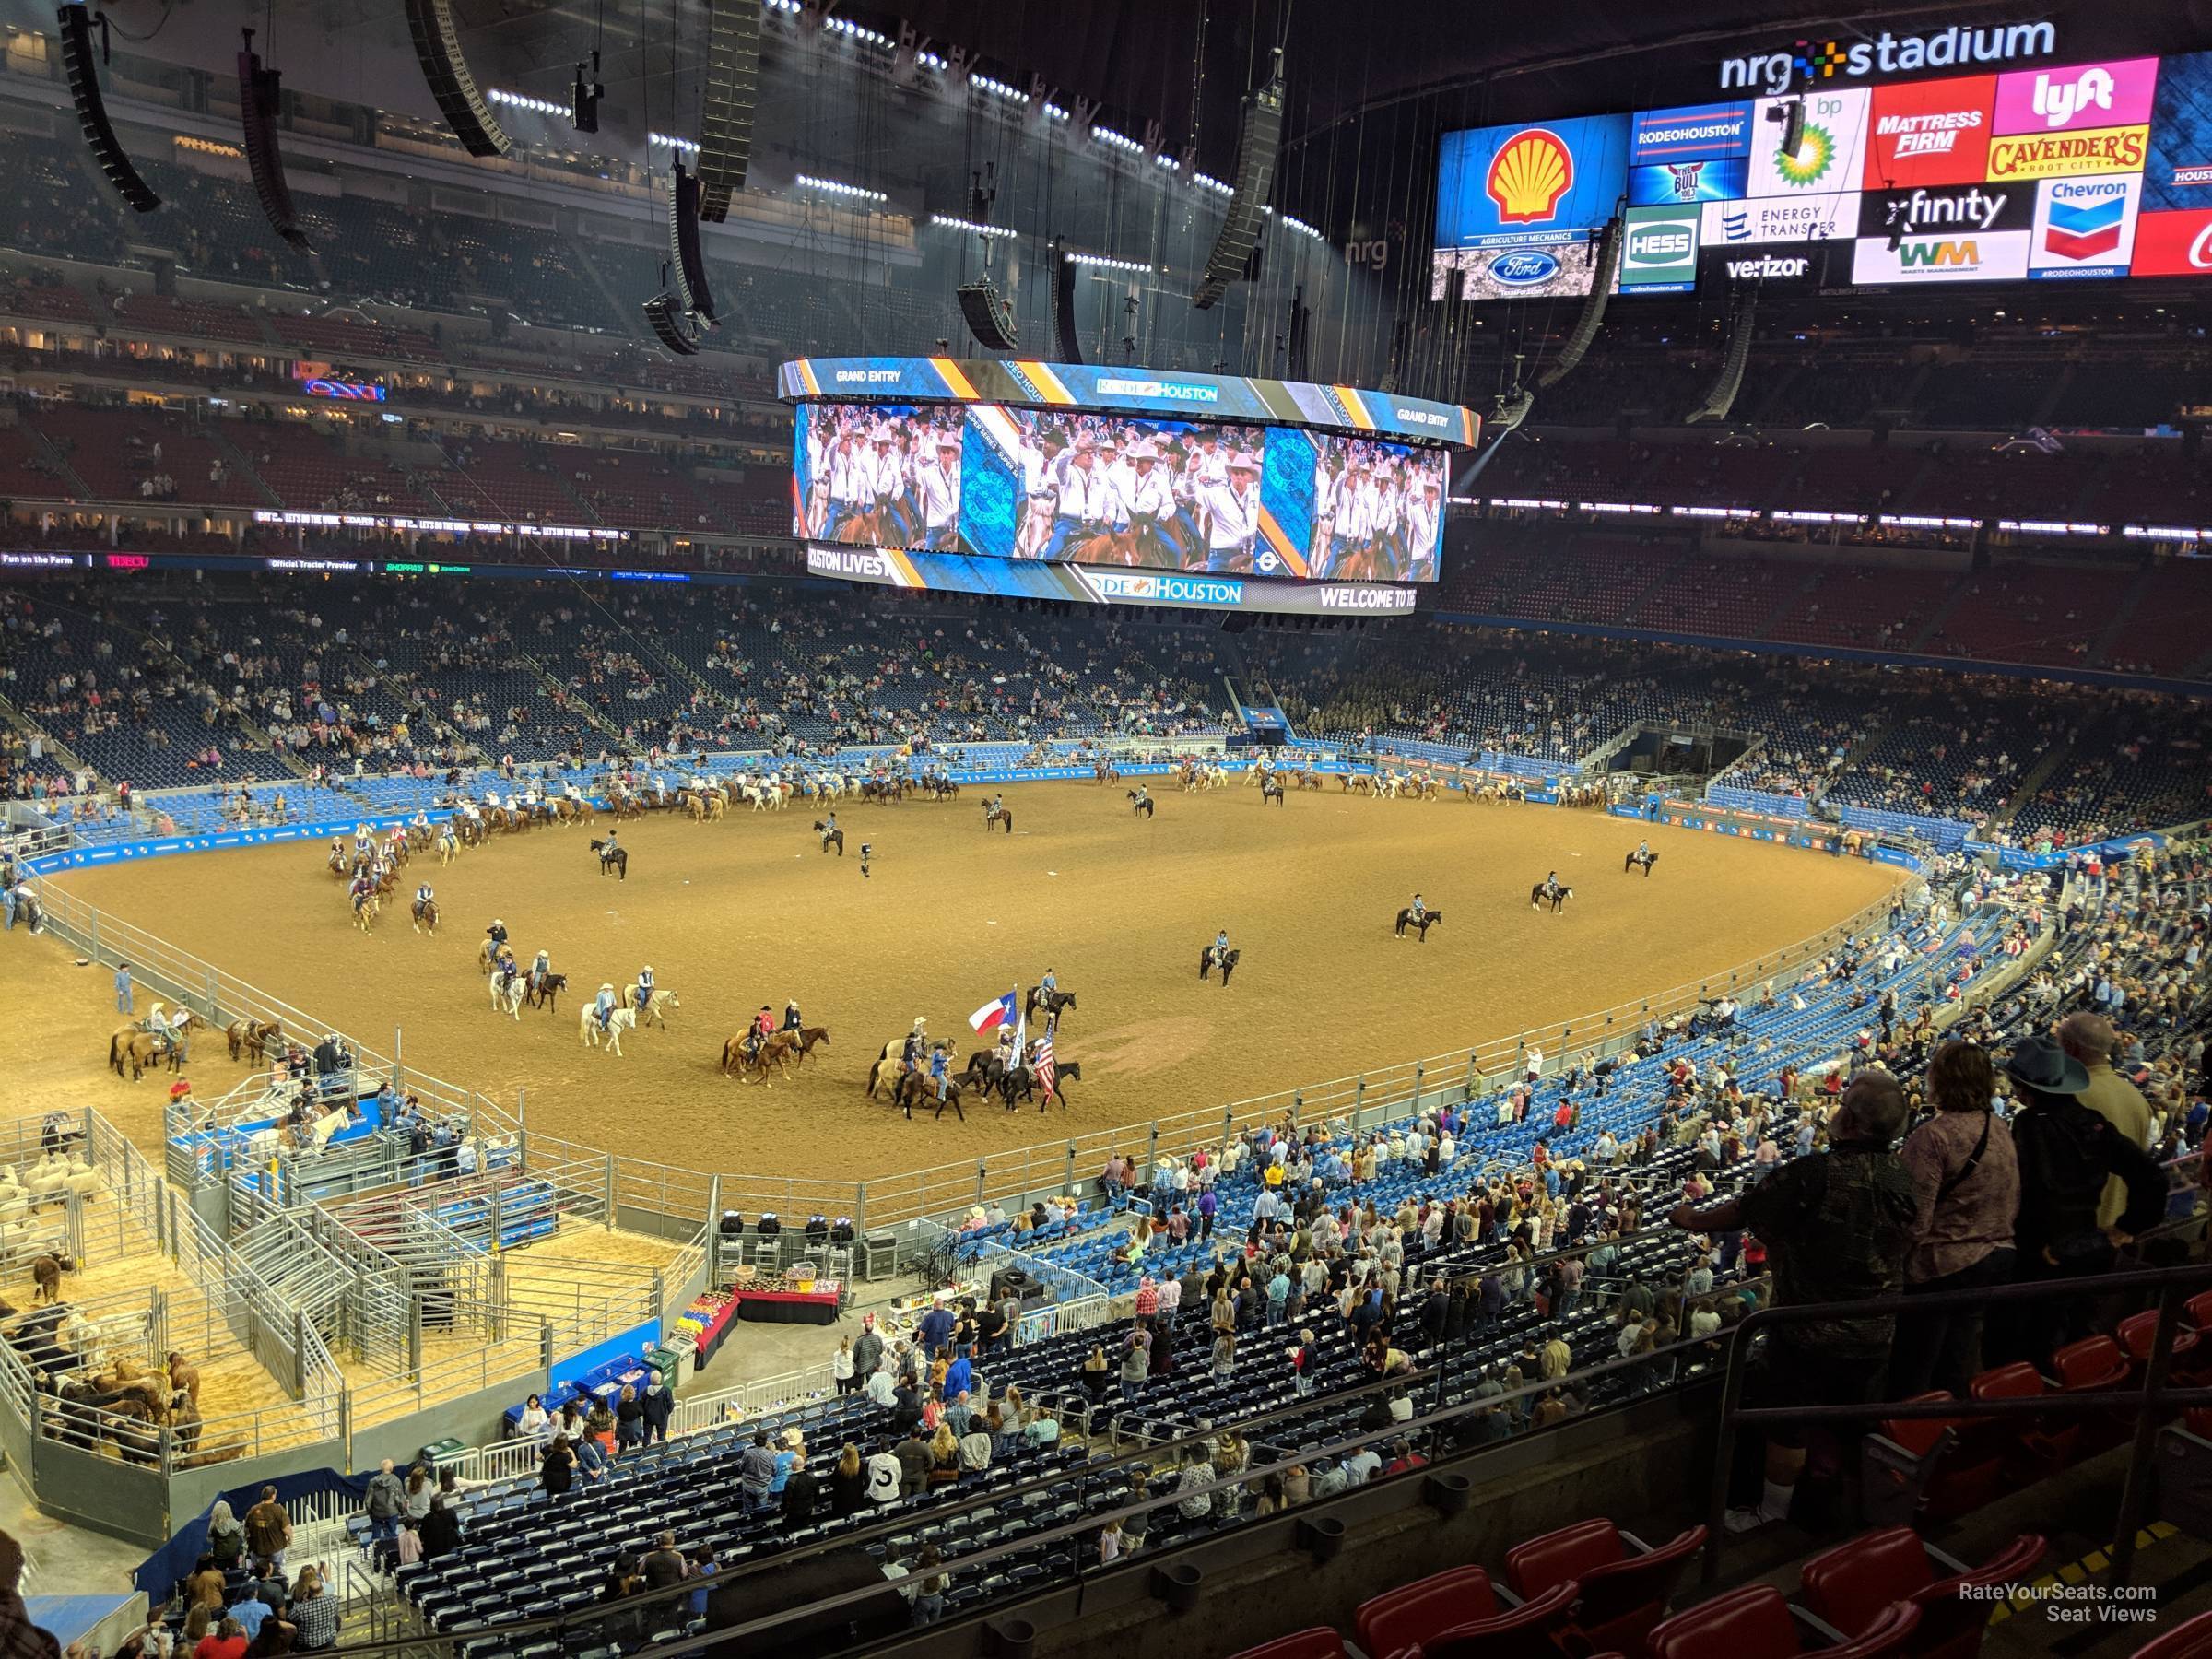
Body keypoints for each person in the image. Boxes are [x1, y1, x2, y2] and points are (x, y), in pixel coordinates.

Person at [1666, 1069, 1918, 1534]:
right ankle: (1850, 1507)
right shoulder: (1903, 1175)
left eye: (1845, 1109)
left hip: (1808, 1325)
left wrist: (1689, 1218)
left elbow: (1744, 1210)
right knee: (1851, 1418)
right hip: (1877, 1325)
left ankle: (1773, 1514)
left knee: (1788, 1424)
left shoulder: (1815, 1173)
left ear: (1854, 1124)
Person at [2004, 1034, 2167, 1359]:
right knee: (2079, 1339)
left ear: (2024, 1088)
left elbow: (2034, 1191)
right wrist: (2124, 1228)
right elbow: (2151, 1177)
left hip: (2041, 1255)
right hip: (2090, 1246)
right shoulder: (2091, 1123)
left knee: (2035, 1347)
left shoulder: (2028, 1126)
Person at [1892, 1042, 2018, 1396]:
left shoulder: (1933, 1136)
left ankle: (1908, 1444)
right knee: (1959, 1366)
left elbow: (1914, 1220)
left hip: (1942, 1267)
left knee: (1915, 1373)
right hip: (1996, 1260)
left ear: (1940, 1079)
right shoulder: (2000, 1127)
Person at [2057, 1013, 2155, 1230]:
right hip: (2116, 1232)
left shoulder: (2069, 1098)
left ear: (2070, 1047)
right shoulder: (2137, 1099)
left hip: (2071, 1234)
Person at [243, 1487, 291, 1571]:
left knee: (260, 1571)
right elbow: (286, 1528)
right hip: (276, 1547)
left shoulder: (253, 1510)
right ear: (273, 1496)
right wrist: (290, 1539)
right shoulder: (278, 1509)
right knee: (278, 1571)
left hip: (258, 1548)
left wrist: (248, 1540)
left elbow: (246, 1529)